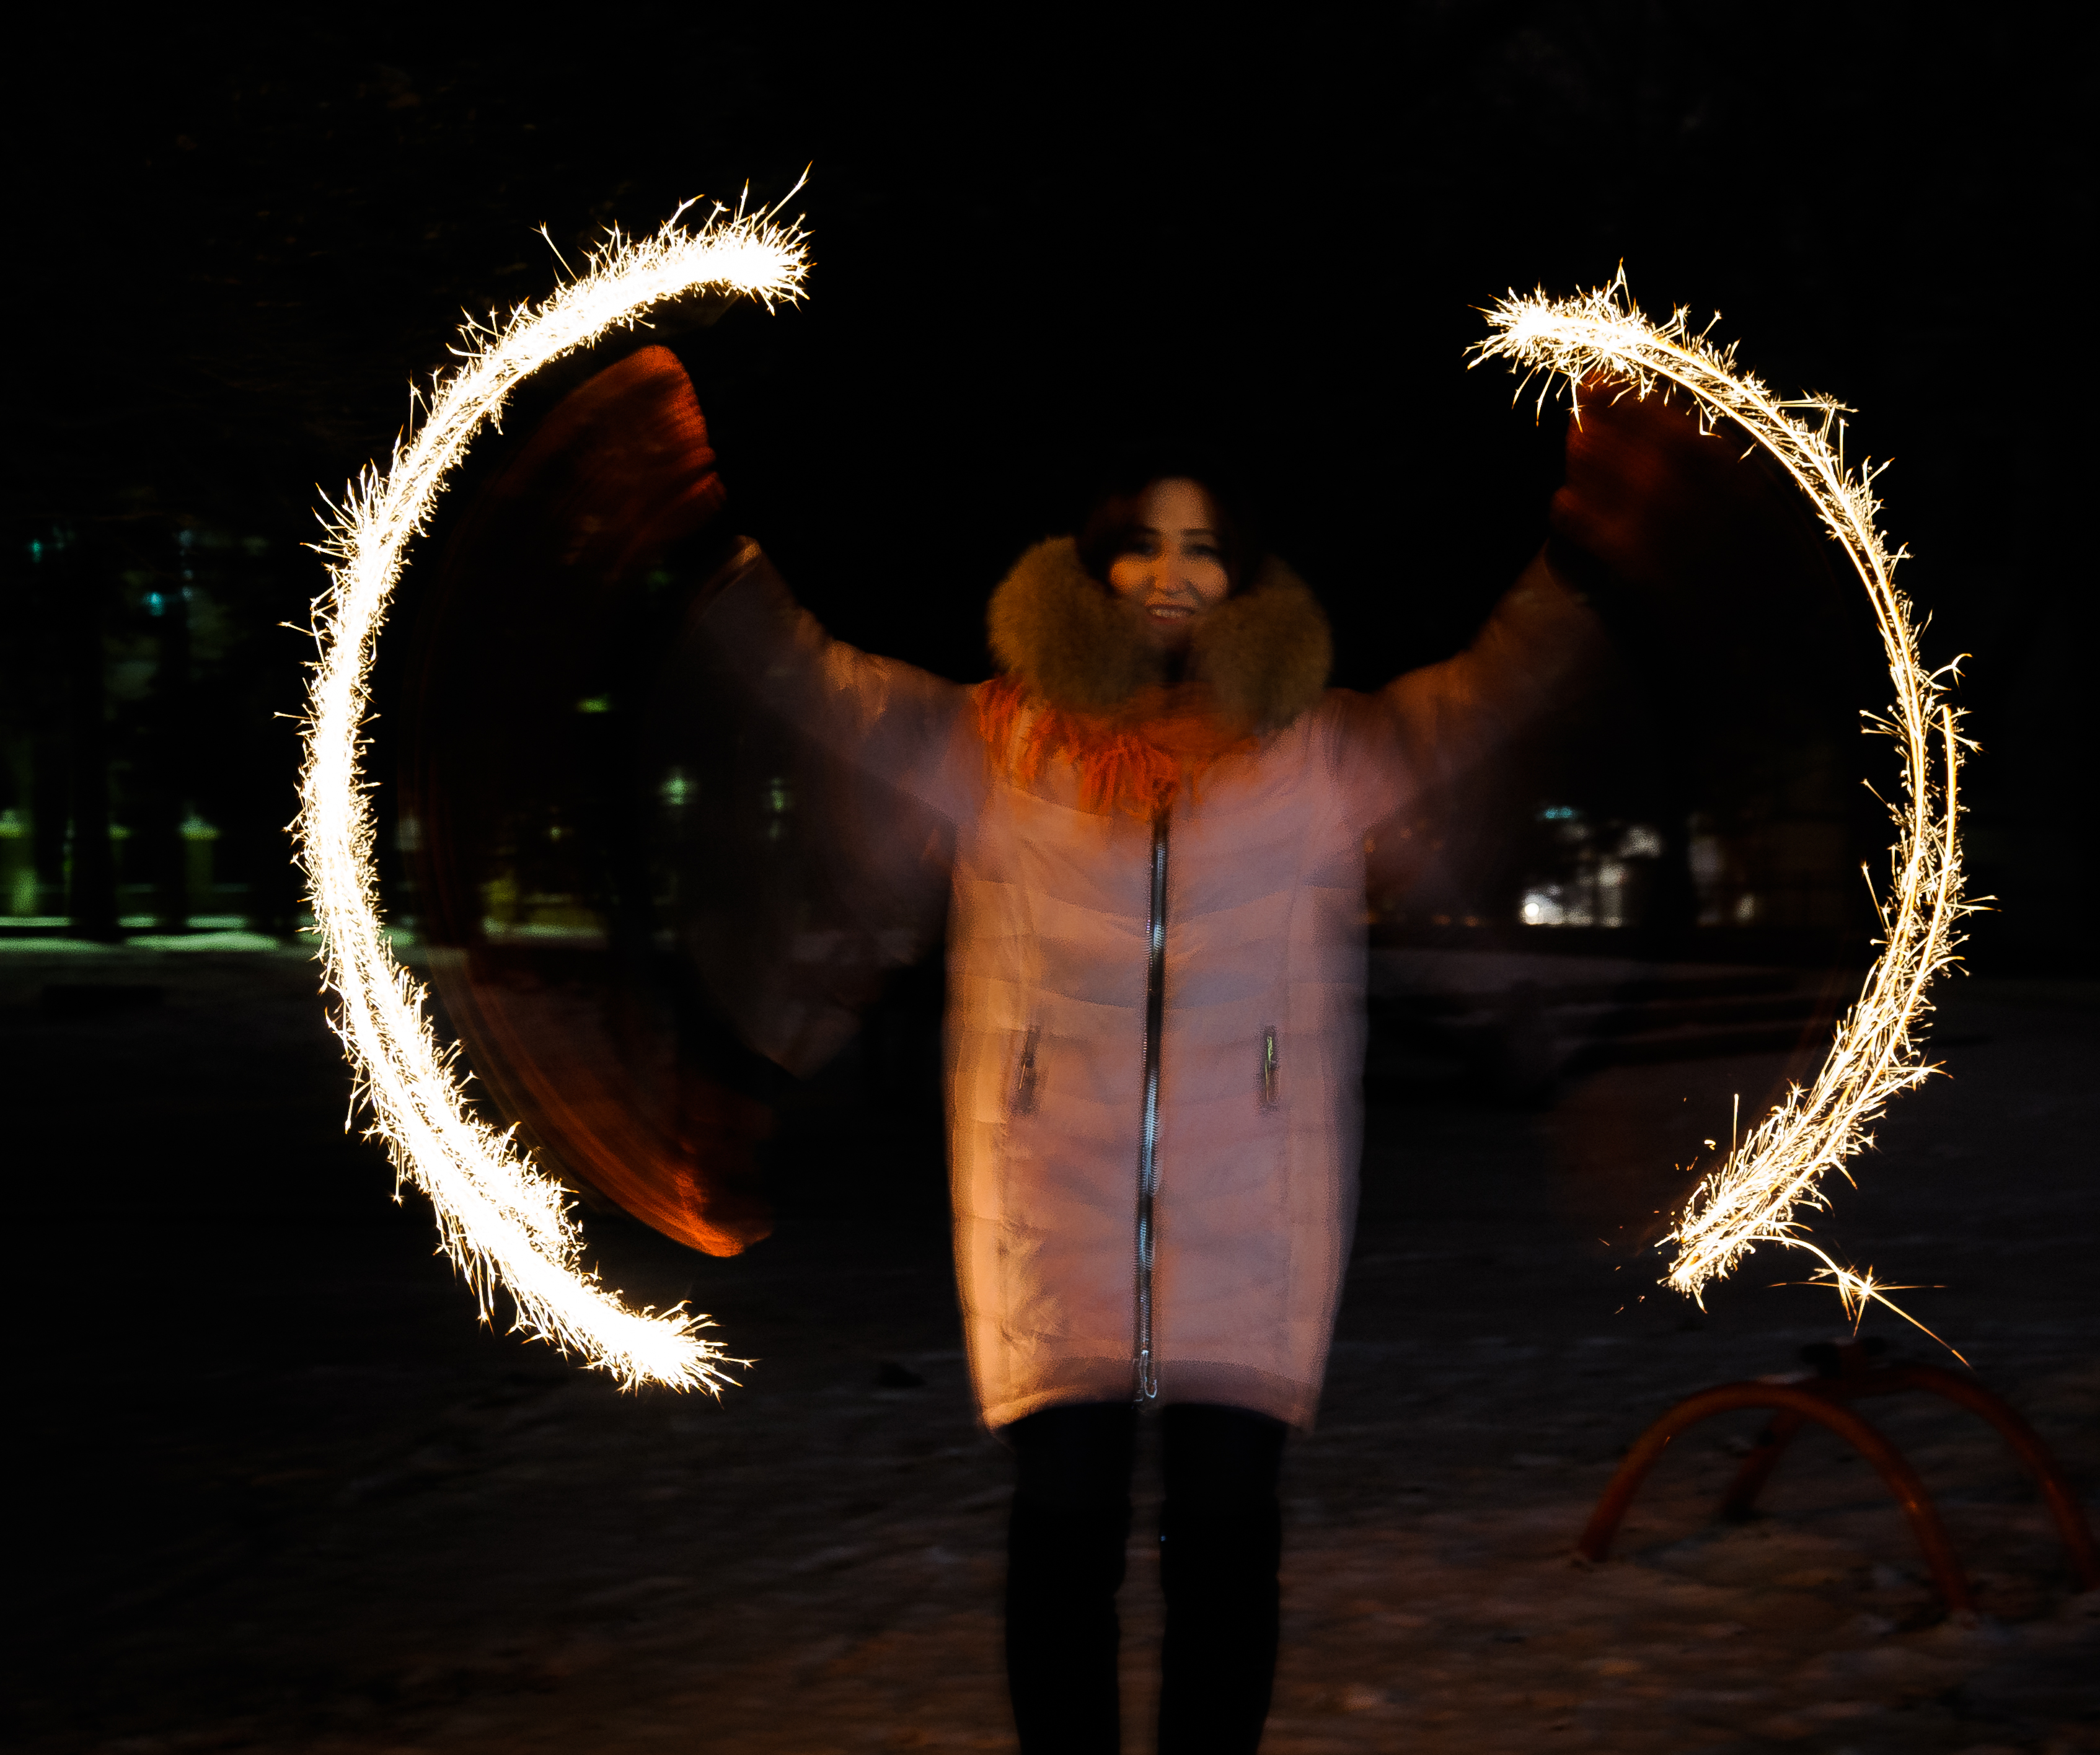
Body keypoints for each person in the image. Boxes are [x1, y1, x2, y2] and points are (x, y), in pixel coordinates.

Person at [417, 345, 1745, 1753]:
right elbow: (814, 693)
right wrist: (692, 531)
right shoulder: (996, 746)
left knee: (1228, 1534)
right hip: (1047, 1203)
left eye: (1204, 548)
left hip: (1258, 1212)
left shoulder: (1323, 755)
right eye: (1140, 546)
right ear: (1092, 564)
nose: (1171, 574)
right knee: (1064, 1529)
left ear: (1244, 575)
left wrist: (1591, 542)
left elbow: (1492, 705)